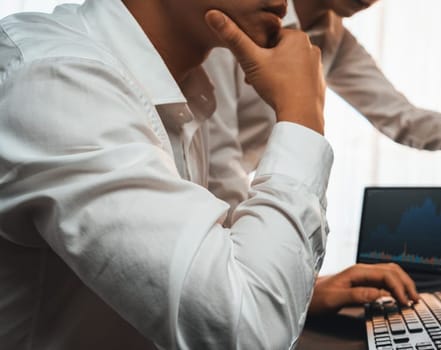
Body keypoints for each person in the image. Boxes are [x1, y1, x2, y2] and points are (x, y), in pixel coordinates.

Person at [0, 0, 415, 348]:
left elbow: (206, 277)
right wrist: (302, 114)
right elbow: (247, 332)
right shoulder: (59, 81)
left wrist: (302, 293)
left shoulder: (181, 89)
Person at [201, 0, 441, 316]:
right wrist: (260, 282)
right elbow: (219, 162)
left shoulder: (331, 36)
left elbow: (399, 115)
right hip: (193, 200)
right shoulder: (242, 10)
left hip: (227, 220)